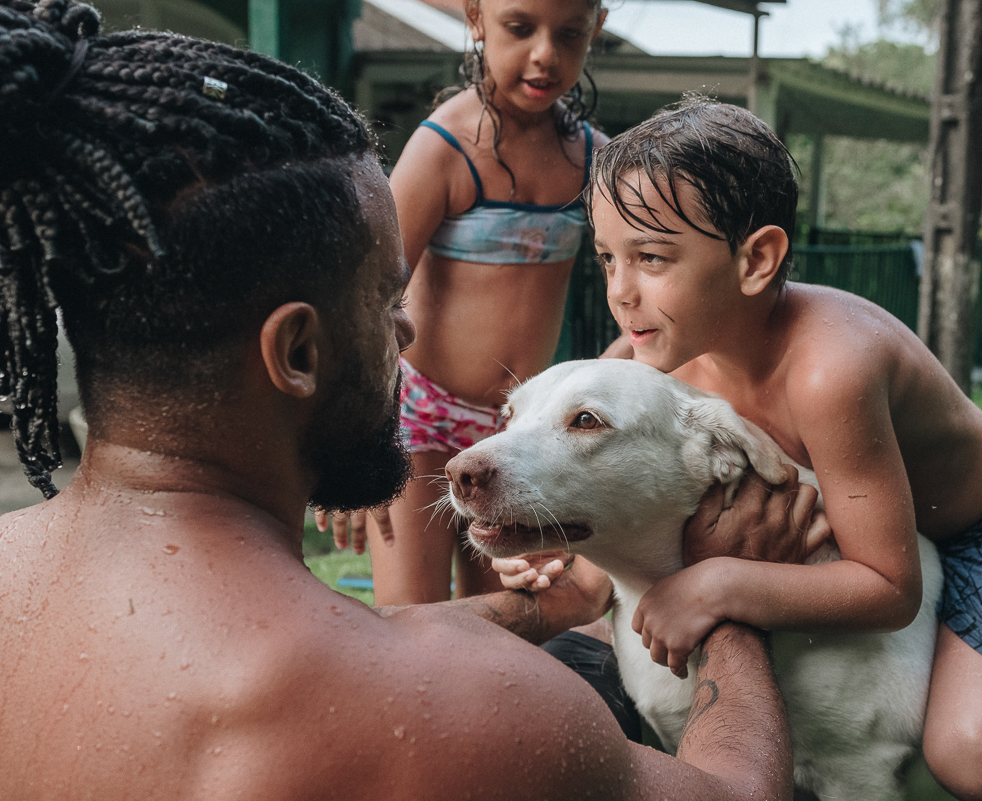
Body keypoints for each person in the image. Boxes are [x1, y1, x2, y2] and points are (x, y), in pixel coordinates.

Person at [0, 5, 801, 798]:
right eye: (388, 299)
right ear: (299, 353)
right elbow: (739, 792)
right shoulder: (467, 703)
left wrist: (563, 599)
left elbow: (379, 633)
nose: (409, 324)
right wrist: (724, 593)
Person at [500, 98, 982, 801]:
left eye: (651, 258)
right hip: (880, 526)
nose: (621, 292)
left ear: (756, 259)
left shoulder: (829, 369)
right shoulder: (647, 354)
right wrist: (551, 547)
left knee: (975, 757)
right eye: (608, 258)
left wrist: (716, 584)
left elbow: (888, 586)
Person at [318, 0, 611, 607]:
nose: (545, 55)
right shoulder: (445, 148)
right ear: (476, 17)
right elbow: (365, 293)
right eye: (520, 28)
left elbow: (650, 275)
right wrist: (347, 438)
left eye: (570, 34)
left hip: (518, 426)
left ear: (597, 29)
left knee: (508, 610)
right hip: (419, 415)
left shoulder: (591, 158)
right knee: (413, 619)